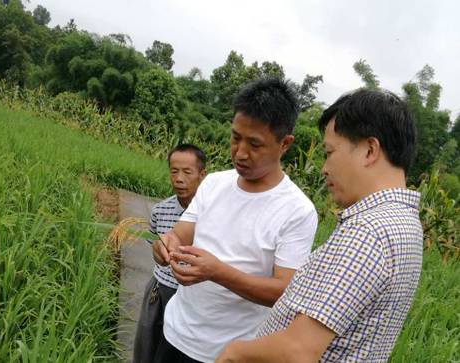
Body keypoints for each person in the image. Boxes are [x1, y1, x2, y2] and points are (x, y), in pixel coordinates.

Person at [215, 88, 423, 363]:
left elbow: (297, 351)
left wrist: (234, 352)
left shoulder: (367, 232)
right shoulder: (405, 223)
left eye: (329, 152)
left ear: (370, 150)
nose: (324, 168)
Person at [153, 78, 318, 363]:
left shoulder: (298, 211)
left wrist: (217, 272)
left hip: (227, 353)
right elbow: (183, 232)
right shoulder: (214, 183)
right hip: (176, 330)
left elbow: (282, 292)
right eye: (235, 137)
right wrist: (168, 243)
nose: (240, 153)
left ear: (285, 144)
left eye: (255, 144)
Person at [133, 144, 207, 363]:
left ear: (202, 175)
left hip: (191, 293)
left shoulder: (210, 214)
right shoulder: (160, 210)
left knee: (175, 350)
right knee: (148, 339)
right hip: (161, 287)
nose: (179, 179)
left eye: (187, 172)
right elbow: (154, 239)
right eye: (174, 171)